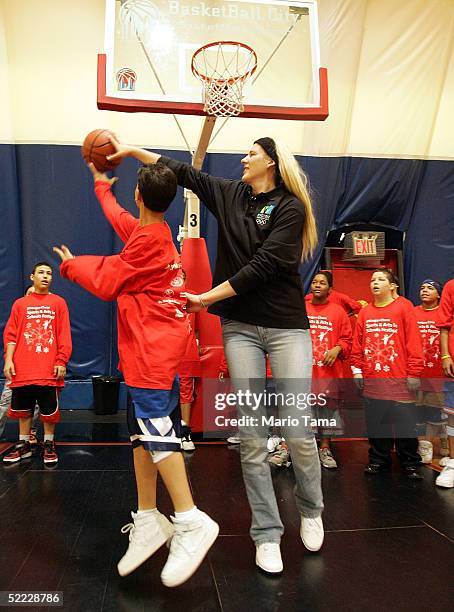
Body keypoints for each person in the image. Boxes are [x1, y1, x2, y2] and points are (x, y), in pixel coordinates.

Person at [107, 135, 324, 575]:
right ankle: (266, 532)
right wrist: (132, 151)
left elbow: (263, 266)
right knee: (252, 436)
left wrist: (206, 298)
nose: (243, 158)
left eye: (251, 153)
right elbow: (180, 171)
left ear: (272, 163)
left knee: (298, 430)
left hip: (286, 328)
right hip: (240, 328)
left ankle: (312, 508)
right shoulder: (231, 194)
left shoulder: (290, 209)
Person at [53, 162, 218, 587]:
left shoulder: (146, 244)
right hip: (150, 346)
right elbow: (120, 220)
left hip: (153, 350)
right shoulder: (151, 232)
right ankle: (148, 518)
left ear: (139, 195)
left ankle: (189, 518)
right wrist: (100, 187)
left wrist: (71, 266)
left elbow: (109, 279)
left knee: (158, 432)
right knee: (141, 434)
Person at [351, 269, 424, 479]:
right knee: (376, 426)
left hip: (400, 381)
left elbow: (413, 341)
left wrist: (414, 372)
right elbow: (358, 344)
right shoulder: (365, 312)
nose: (375, 282)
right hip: (373, 382)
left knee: (405, 427)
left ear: (393, 286)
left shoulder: (404, 307)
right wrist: (357, 370)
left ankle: (409, 462)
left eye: (381, 279)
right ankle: (378, 461)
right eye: (373, 279)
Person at [2, 262, 71, 465]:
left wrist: (61, 360)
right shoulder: (20, 304)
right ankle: (24, 444)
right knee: (23, 411)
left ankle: (49, 444)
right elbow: (11, 336)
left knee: (49, 411)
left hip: (48, 368)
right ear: (32, 277)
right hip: (23, 368)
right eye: (41, 272)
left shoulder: (58, 303)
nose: (45, 276)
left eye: (49, 273)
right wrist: (8, 360)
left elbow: (63, 334)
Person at [306, 271, 352, 469]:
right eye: (314, 282)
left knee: (327, 411)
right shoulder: (300, 308)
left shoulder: (338, 311)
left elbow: (347, 340)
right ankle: (288, 448)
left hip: (328, 373)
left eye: (322, 283)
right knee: (297, 411)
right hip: (303, 372)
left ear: (330, 289)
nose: (317, 285)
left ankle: (325, 448)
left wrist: (338, 347)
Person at [413, 280, 447, 464]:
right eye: (422, 287)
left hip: (438, 373)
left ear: (439, 294)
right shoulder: (412, 313)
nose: (425, 290)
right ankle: (424, 445)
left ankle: (438, 440)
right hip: (417, 372)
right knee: (418, 412)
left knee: (437, 411)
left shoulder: (445, 313)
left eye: (430, 288)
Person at [437, 278, 454, 488]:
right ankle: (452, 463)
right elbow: (444, 325)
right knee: (452, 415)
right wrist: (445, 355)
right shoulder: (450, 286)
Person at [179, 313, 201, 451]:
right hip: (162, 351)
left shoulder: (191, 298)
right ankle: (162, 433)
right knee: (162, 391)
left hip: (186, 353)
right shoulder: (156, 297)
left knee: (186, 393)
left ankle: (185, 434)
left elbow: (196, 331)